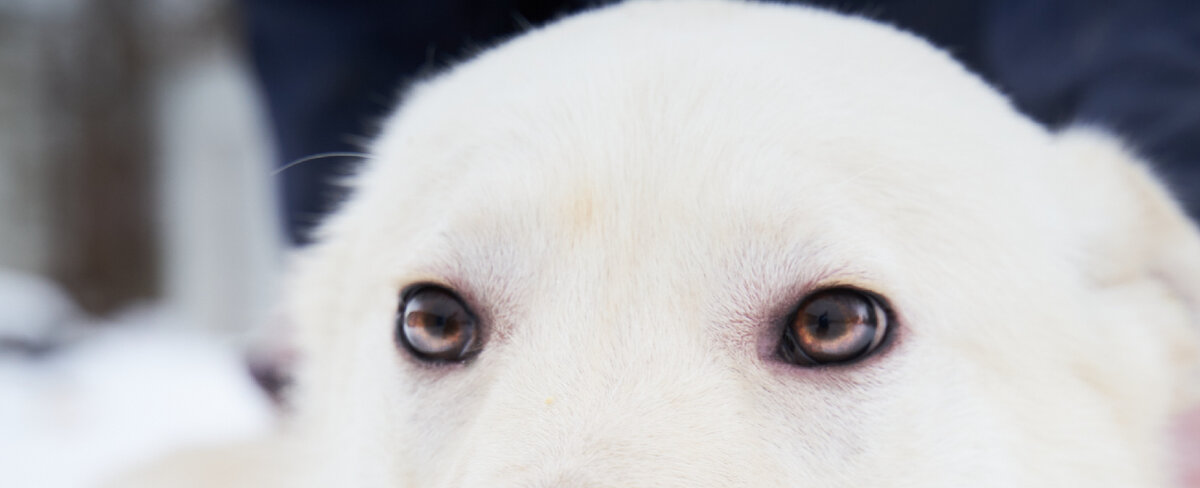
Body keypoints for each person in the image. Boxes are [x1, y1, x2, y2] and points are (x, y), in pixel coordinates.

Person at [240, 0, 1200, 238]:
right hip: (563, 187)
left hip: (943, 200)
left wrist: (1146, 287)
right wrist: (360, 239)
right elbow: (349, 48)